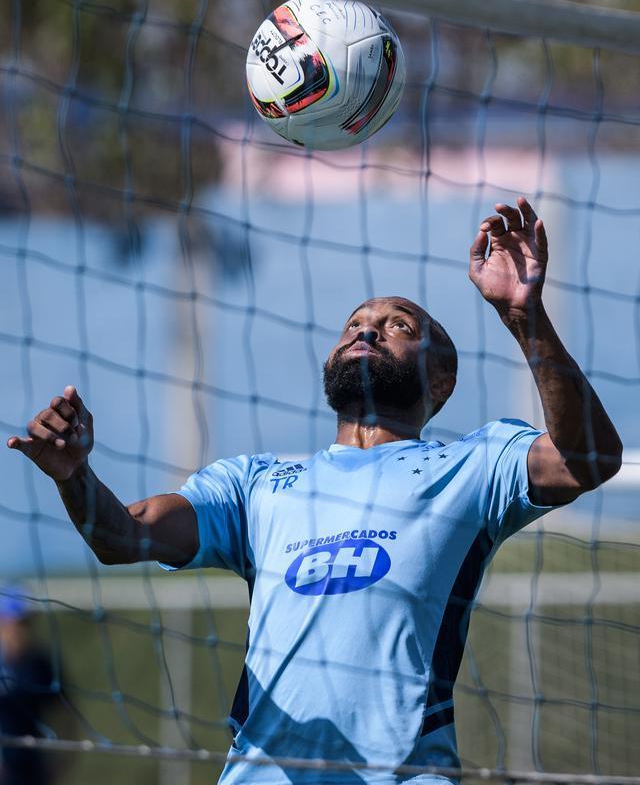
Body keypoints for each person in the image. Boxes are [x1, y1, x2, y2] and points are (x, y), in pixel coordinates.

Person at [7, 198, 622, 783]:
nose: (369, 330)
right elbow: (123, 537)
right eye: (355, 323)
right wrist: (73, 476)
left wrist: (525, 317)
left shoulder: (471, 466)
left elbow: (586, 459)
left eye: (397, 325)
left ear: (440, 377)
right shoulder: (255, 484)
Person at [0, 587, 59, 785]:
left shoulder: (38, 664)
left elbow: (62, 714)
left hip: (31, 769)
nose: (21, 630)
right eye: (17, 622)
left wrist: (60, 764)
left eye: (26, 622)